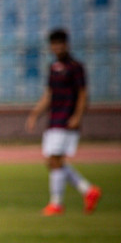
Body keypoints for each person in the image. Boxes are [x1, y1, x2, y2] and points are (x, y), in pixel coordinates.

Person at [25, 28, 101, 216]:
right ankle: (87, 190)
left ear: (66, 44)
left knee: (55, 159)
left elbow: (83, 93)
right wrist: (35, 113)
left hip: (66, 119)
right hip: (54, 119)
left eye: (60, 43)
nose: (57, 47)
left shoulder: (76, 67)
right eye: (54, 44)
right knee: (52, 161)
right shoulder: (53, 68)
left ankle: (57, 203)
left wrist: (77, 116)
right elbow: (49, 94)